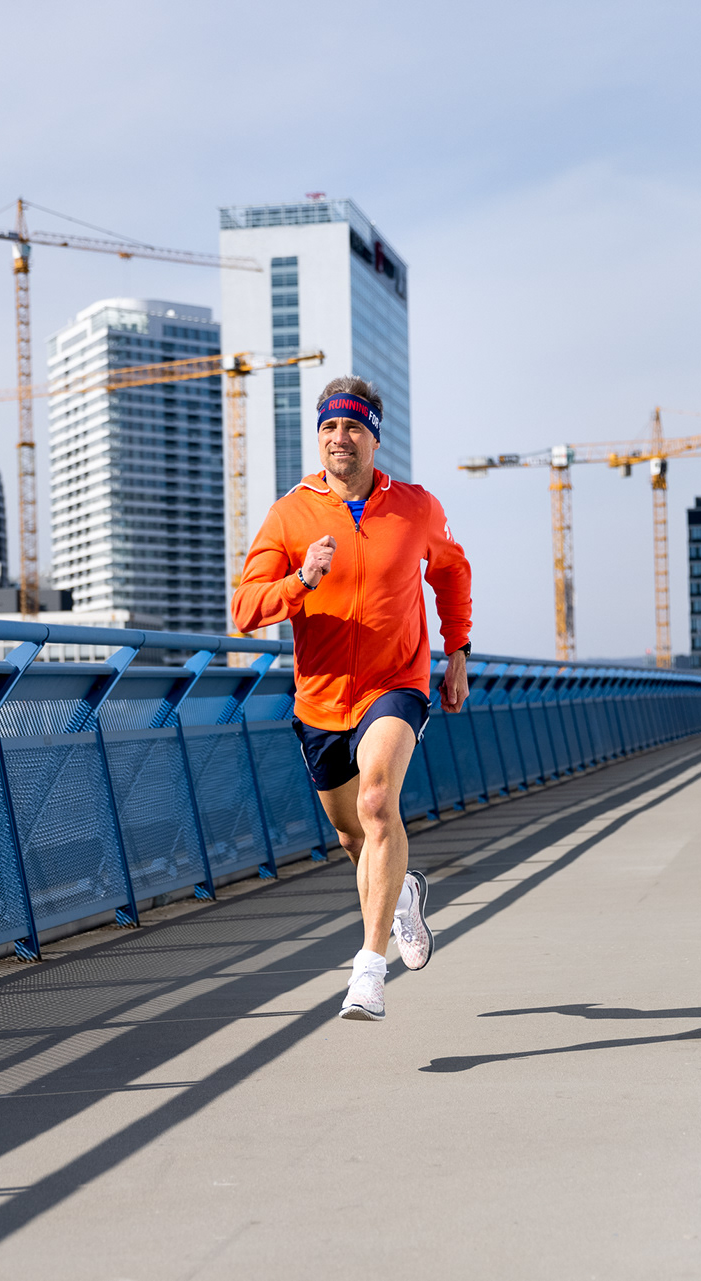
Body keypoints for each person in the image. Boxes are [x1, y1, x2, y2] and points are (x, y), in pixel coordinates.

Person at [232, 376, 473, 1021]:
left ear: (373, 436)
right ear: (319, 436)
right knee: (351, 835)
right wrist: (300, 579)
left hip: (396, 683)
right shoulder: (290, 514)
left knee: (376, 800)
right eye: (329, 427)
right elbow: (243, 609)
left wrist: (457, 652)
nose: (340, 437)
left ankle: (368, 969)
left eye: (353, 426)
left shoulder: (415, 507)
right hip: (319, 702)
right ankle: (401, 897)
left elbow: (452, 571)